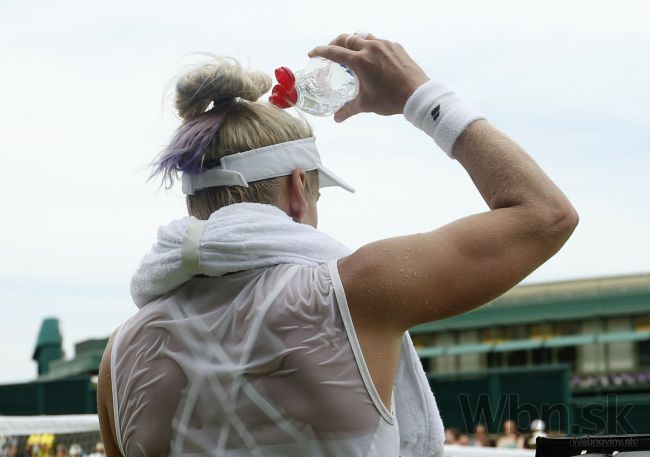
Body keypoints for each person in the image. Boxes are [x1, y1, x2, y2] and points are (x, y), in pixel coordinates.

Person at [97, 32, 578, 457]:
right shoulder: (356, 290)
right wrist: (419, 94)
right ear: (296, 188)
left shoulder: (121, 353)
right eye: (317, 191)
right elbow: (545, 215)